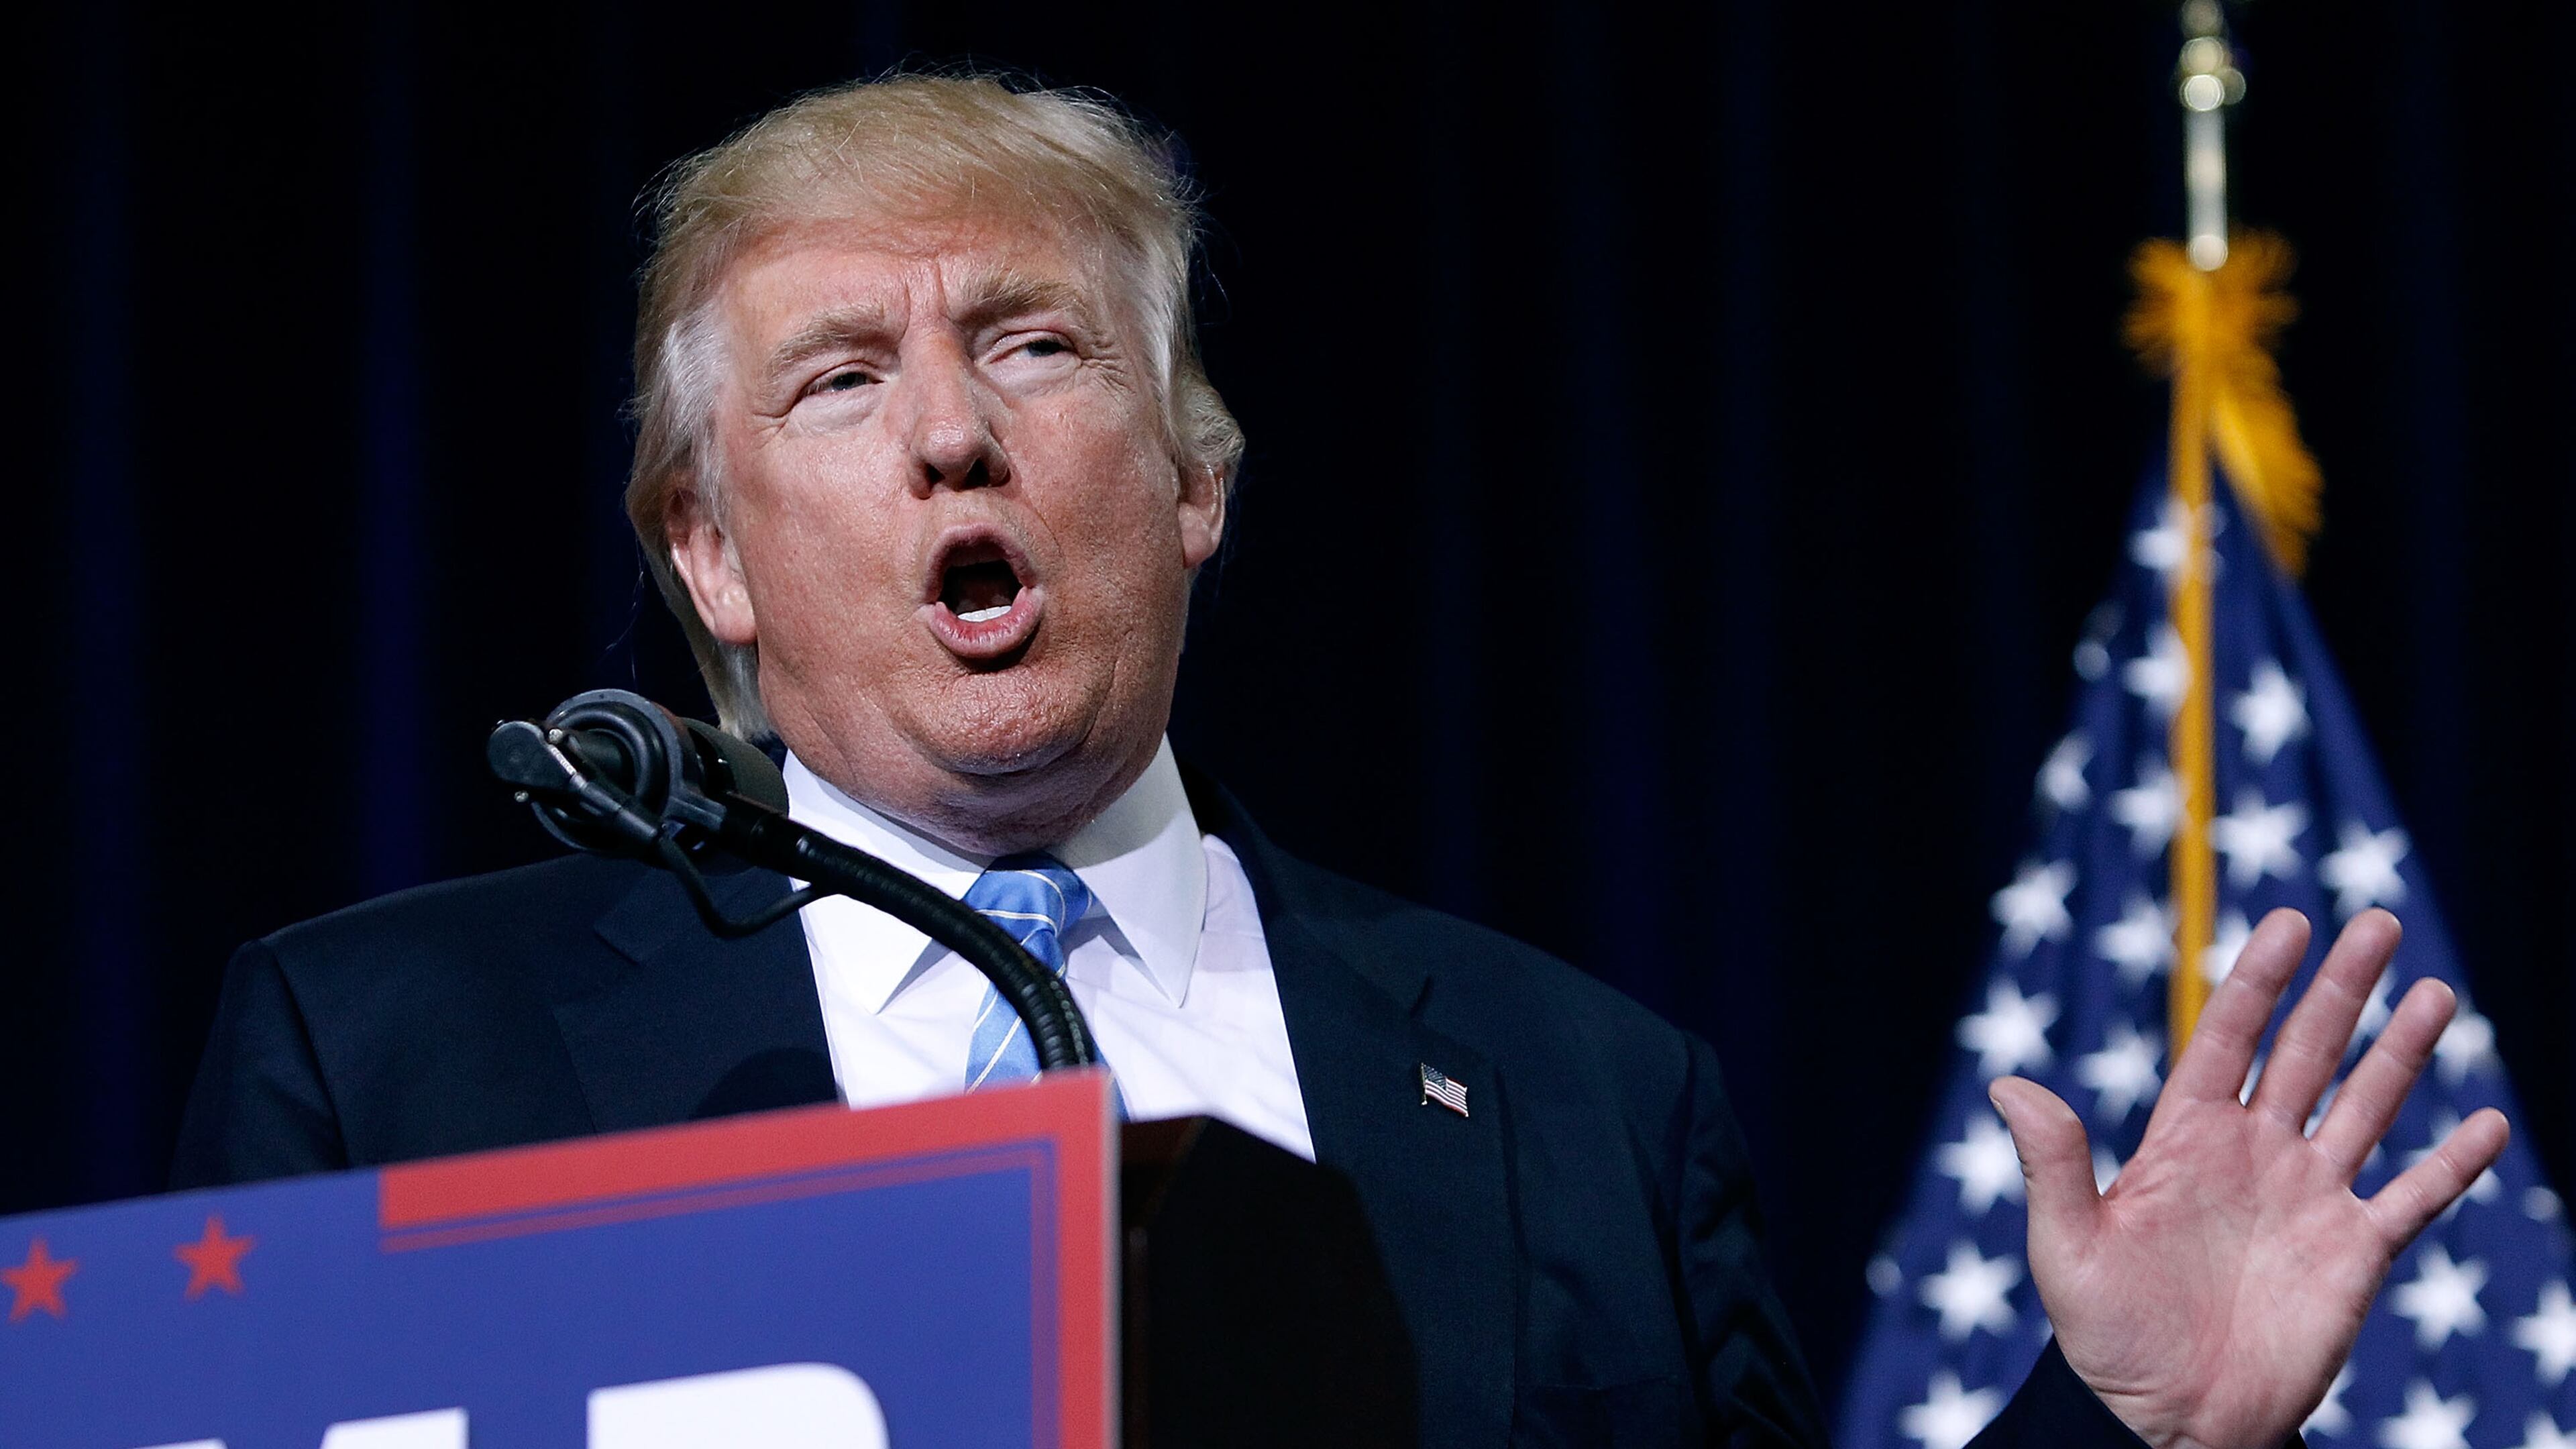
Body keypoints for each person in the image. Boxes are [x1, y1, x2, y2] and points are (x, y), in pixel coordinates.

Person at [172, 74, 2508, 1448]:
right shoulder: (392, 1057)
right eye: (841, 382)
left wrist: (2123, 1435)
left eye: (1034, 345)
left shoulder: (1585, 1100)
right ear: (712, 555)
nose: (955, 434)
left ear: (1194, 482)